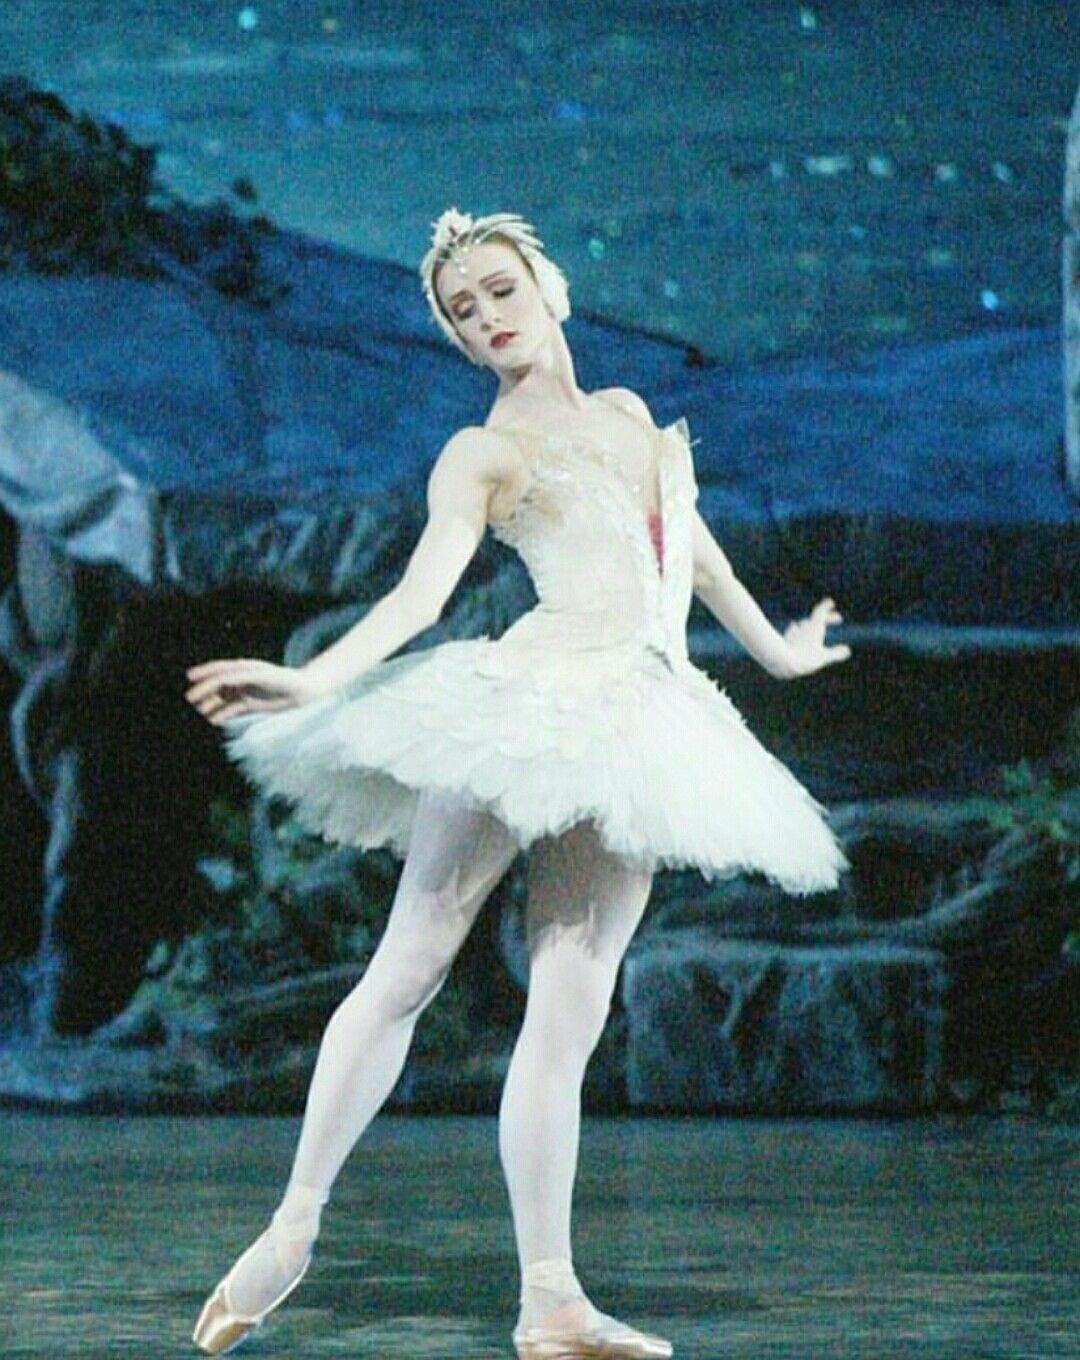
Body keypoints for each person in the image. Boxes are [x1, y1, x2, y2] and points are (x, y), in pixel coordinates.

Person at [185, 207, 852, 1359]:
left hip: (641, 720)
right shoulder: (483, 452)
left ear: (550, 290)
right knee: (413, 959)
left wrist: (783, 651)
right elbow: (421, 592)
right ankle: (293, 1225)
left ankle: (551, 1299)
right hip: (531, 701)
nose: (486, 318)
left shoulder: (630, 415)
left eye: (499, 291)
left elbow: (692, 556)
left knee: (573, 1000)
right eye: (462, 310)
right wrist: (312, 680)